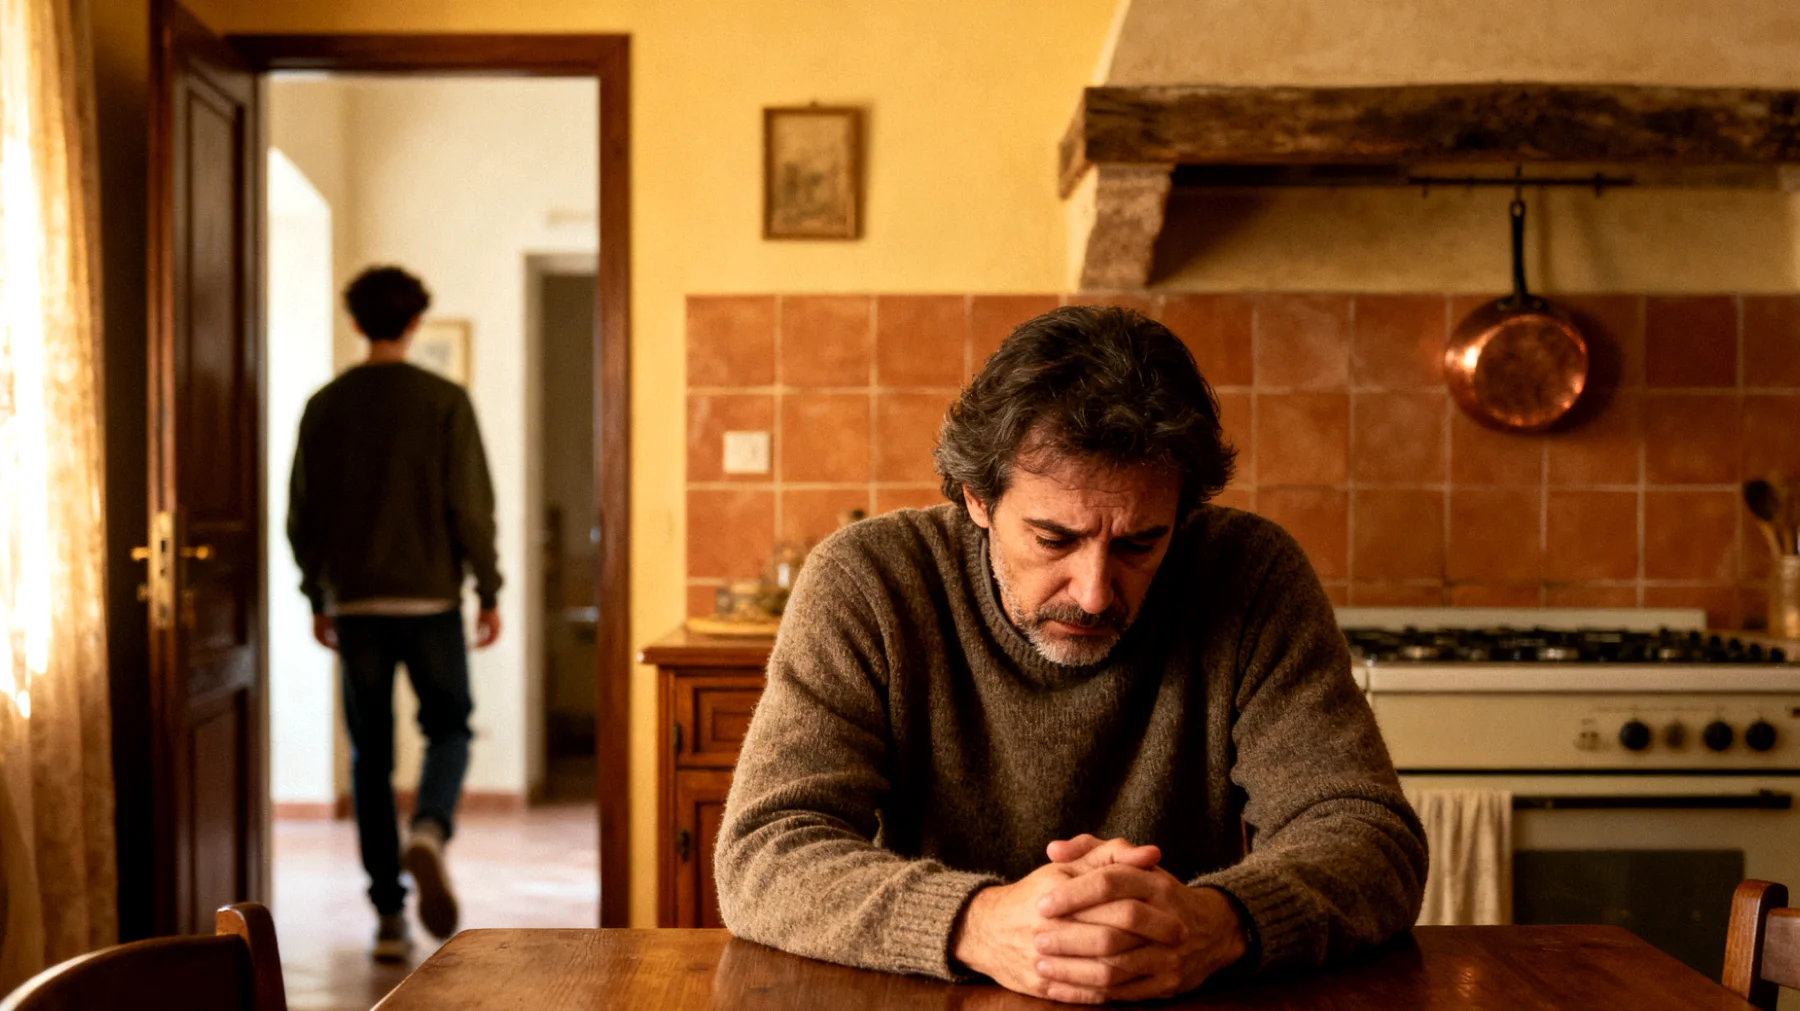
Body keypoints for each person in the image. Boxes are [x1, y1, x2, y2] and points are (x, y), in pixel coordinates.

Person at [714, 306, 1426, 1004]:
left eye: (1140, 543)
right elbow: (765, 850)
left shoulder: (1252, 573)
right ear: (978, 500)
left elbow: (1369, 837)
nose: (1093, 593)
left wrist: (1219, 922)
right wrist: (978, 923)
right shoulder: (868, 582)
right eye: (1054, 539)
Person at [287, 265, 502, 961]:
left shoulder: (325, 405)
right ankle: (429, 829)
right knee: (449, 728)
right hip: (432, 599)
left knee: (369, 756)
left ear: (356, 322)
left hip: (355, 603)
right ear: (414, 323)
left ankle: (387, 915)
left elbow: (304, 514)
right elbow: (470, 506)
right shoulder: (445, 400)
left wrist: (316, 594)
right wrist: (488, 589)